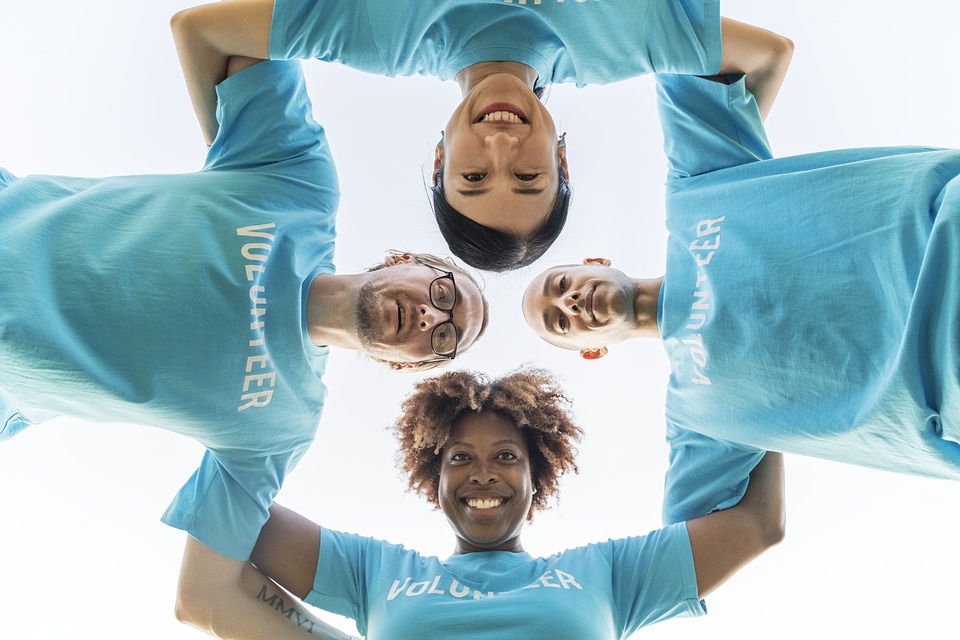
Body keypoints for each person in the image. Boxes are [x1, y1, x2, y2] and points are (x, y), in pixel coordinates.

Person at [0, 16, 487, 640]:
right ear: (403, 260)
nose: (431, 315)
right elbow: (209, 34)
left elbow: (205, 597)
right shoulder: (298, 185)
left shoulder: (283, 423)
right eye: (444, 292)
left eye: (444, 338)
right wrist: (231, 138)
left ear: (406, 365)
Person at [521, 29, 960, 527]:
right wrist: (766, 420)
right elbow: (699, 543)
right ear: (591, 350)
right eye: (560, 322)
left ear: (594, 263)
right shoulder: (698, 418)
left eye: (561, 285)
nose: (571, 303)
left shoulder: (695, 189)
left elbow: (728, 50)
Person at [166, 0, 789, 271]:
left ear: (437, 158)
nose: (499, 148)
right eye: (528, 177)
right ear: (563, 162)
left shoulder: (381, 37)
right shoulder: (626, 48)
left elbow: (201, 32)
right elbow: (766, 57)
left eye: (471, 177)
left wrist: (239, 181)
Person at [228, 368, 785, 640]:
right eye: (460, 459)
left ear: (537, 475)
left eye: (505, 456)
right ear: (434, 477)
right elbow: (237, 504)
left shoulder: (610, 572)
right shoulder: (373, 571)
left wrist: (771, 378)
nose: (484, 474)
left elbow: (759, 524)